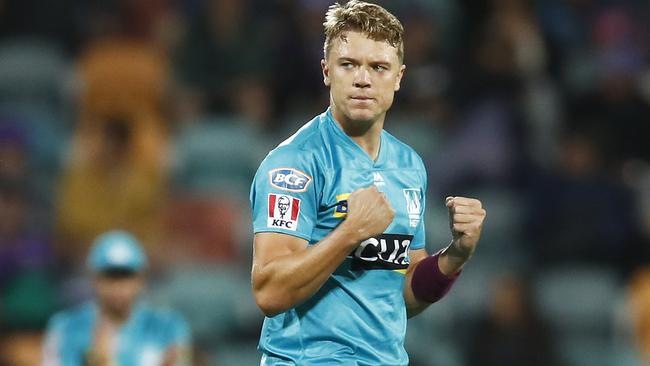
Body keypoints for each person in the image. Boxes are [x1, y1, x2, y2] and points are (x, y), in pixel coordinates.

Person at [249, 1, 487, 364]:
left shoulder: (409, 165)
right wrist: (349, 234)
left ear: (399, 77)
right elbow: (269, 292)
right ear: (326, 71)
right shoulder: (295, 164)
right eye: (349, 64)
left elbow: (405, 294)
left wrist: (456, 255)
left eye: (378, 67)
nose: (363, 78)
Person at [42, 230, 191, 366]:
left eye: (125, 276)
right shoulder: (66, 328)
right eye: (110, 276)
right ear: (93, 278)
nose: (118, 287)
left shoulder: (167, 326)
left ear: (142, 278)